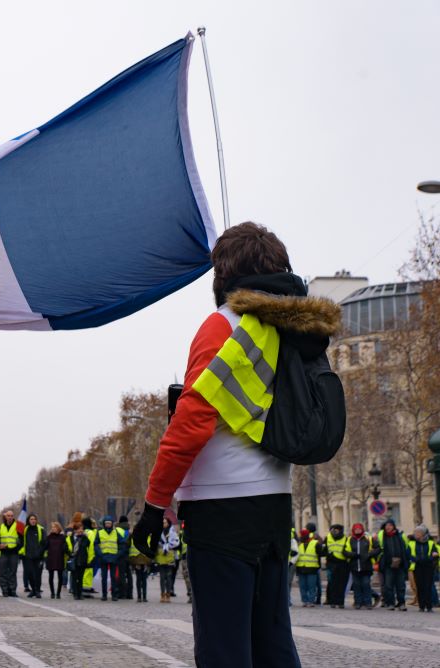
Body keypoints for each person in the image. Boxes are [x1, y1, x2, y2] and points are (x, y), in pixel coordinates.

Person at [132, 223, 339, 667]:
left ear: (222, 275)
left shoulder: (224, 325)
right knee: (273, 645)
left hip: (221, 509)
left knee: (223, 649)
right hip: (274, 504)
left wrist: (154, 504)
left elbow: (192, 422)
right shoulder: (291, 330)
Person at [377, 518, 409, 610]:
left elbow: (406, 548)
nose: (388, 527)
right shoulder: (382, 536)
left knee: (401, 585)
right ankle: (390, 603)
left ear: (394, 526)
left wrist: (405, 560)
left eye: (390, 525)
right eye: (387, 526)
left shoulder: (400, 536)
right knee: (388, 585)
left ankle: (401, 603)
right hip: (387, 564)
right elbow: (378, 548)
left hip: (400, 564)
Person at [343, 523, 377, 610]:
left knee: (366, 584)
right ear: (353, 530)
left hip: (366, 566)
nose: (358, 530)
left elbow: (378, 548)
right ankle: (358, 602)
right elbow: (345, 552)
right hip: (354, 566)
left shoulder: (368, 538)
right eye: (356, 529)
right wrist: (353, 555)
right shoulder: (349, 539)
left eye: (359, 529)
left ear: (362, 529)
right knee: (357, 585)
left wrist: (369, 554)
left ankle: (368, 602)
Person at [94, 516, 126, 601]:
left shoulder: (116, 533)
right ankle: (104, 594)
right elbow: (96, 545)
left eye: (109, 523)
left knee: (113, 577)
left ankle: (114, 595)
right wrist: (100, 554)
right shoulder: (100, 532)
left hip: (114, 557)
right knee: (103, 577)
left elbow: (122, 545)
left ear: (112, 524)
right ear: (104, 524)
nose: (108, 525)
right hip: (103, 557)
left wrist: (118, 555)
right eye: (106, 523)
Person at [409, 525, 438, 613]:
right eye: (415, 532)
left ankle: (429, 606)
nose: (415, 534)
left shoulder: (430, 543)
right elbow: (408, 554)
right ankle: (421, 606)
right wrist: (416, 559)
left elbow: (435, 554)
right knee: (419, 586)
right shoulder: (412, 543)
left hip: (428, 567)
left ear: (423, 534)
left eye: (418, 532)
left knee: (428, 586)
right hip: (417, 567)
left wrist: (428, 559)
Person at [323, 524, 349, 609]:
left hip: (343, 563)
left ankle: (340, 602)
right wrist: (328, 555)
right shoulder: (328, 538)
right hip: (331, 563)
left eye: (337, 530)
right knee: (332, 584)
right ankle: (333, 601)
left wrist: (345, 555)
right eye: (333, 529)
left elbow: (348, 550)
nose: (335, 531)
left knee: (341, 584)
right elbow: (324, 550)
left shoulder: (345, 538)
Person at [19, 514, 45, 598]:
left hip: (38, 556)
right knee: (29, 574)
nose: (33, 521)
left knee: (38, 574)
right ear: (28, 520)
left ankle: (37, 590)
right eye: (31, 519)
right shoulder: (25, 530)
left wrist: (40, 552)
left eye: (34, 519)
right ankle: (33, 590)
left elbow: (44, 542)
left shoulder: (41, 529)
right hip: (28, 556)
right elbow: (22, 542)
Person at [155, 517, 179, 603]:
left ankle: (168, 594)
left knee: (169, 577)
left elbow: (176, 542)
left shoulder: (172, 532)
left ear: (168, 523)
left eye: (165, 523)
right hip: (161, 556)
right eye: (162, 523)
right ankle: (162, 594)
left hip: (169, 557)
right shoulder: (159, 532)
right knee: (162, 577)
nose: (163, 524)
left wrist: (168, 546)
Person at [295, 529, 321, 607]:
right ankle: (305, 601)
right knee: (302, 586)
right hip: (301, 567)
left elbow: (320, 554)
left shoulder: (315, 543)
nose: (302, 536)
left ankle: (311, 601)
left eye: (304, 535)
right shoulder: (299, 544)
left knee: (311, 586)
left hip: (312, 568)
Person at [0, 510, 20, 597]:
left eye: (11, 515)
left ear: (13, 517)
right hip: (4, 553)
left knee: (13, 572)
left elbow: (21, 540)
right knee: (3, 572)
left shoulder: (18, 526)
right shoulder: (1, 527)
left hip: (14, 553)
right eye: (8, 516)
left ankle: (12, 590)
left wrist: (16, 547)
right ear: (5, 517)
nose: (10, 517)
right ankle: (5, 590)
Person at [42, 521, 67, 599]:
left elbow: (65, 547)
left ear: (58, 528)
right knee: (51, 576)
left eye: (55, 527)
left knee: (60, 577)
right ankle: (52, 593)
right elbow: (45, 547)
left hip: (60, 558)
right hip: (51, 558)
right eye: (52, 527)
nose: (53, 529)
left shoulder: (62, 537)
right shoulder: (49, 537)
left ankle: (58, 593)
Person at [66, 522, 91, 600]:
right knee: (74, 577)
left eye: (81, 529)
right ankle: (75, 593)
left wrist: (84, 537)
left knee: (80, 578)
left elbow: (87, 545)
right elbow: (66, 547)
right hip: (74, 560)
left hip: (82, 560)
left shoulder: (84, 538)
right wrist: (70, 554)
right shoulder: (70, 538)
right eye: (78, 529)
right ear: (75, 530)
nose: (80, 530)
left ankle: (80, 593)